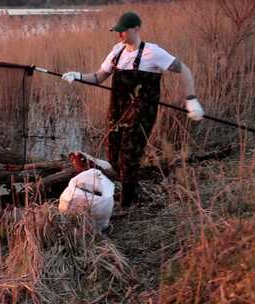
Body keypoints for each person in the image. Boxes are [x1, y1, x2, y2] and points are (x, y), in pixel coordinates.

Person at [62, 11, 205, 207]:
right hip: (117, 114)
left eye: (123, 31)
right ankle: (126, 192)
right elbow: (98, 77)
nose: (119, 35)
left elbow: (185, 70)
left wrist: (191, 99)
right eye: (117, 32)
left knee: (129, 158)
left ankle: (127, 204)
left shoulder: (153, 52)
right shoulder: (117, 51)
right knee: (113, 157)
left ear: (136, 29)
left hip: (141, 115)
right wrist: (77, 75)